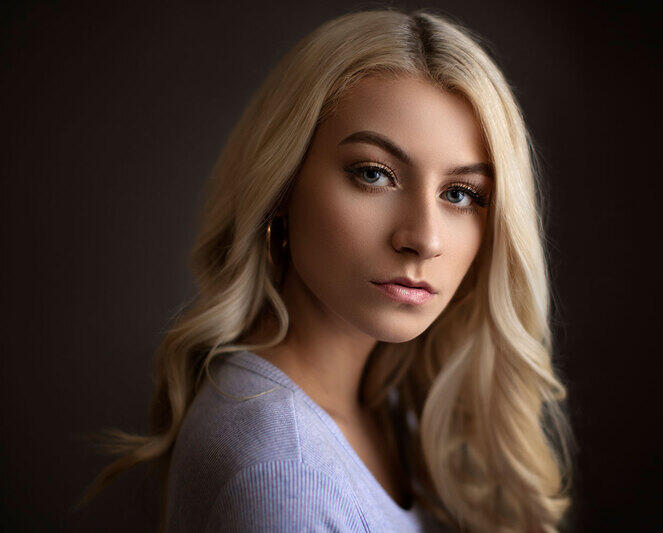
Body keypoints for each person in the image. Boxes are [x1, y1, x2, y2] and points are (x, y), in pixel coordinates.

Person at [78, 8, 573, 532]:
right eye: (374, 174)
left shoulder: (395, 412)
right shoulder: (281, 474)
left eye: (460, 193)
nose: (423, 239)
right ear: (283, 188)